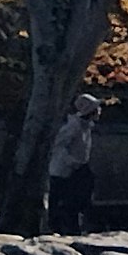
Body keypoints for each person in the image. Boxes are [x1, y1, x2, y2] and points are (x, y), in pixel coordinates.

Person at [46, 91, 101, 234]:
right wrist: (72, 162)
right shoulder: (73, 126)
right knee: (62, 202)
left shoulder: (86, 127)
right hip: (63, 171)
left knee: (81, 199)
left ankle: (76, 227)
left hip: (77, 168)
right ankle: (58, 228)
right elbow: (59, 146)